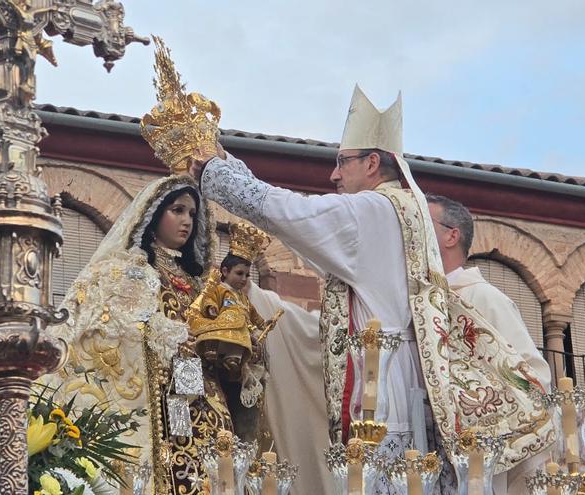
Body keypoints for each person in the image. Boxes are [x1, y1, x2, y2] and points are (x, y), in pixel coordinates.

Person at [190, 85, 553, 494]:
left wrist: (211, 174)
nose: (334, 174)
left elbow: (293, 214)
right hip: (399, 381)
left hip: (384, 394)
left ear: (373, 161)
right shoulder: (403, 210)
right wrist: (227, 163)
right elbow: (300, 230)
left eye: (342, 162)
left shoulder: (376, 210)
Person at [46, 175, 233, 495]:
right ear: (153, 214)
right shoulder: (129, 270)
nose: (187, 221)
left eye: (192, 213)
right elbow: (106, 325)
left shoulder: (201, 284)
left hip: (203, 401)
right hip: (157, 402)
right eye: (177, 210)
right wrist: (159, 331)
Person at [427, 194, 553, 494]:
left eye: (423, 221)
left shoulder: (483, 298)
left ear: (451, 235)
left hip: (480, 452)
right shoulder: (419, 300)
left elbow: (534, 377)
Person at [186, 222, 281, 442]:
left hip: (239, 339)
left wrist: (261, 323)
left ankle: (235, 362)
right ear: (225, 272)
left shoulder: (243, 299)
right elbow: (208, 303)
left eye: (248, 275)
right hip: (218, 333)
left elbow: (254, 316)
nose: (244, 279)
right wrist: (210, 308)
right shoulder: (217, 289)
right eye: (240, 273)